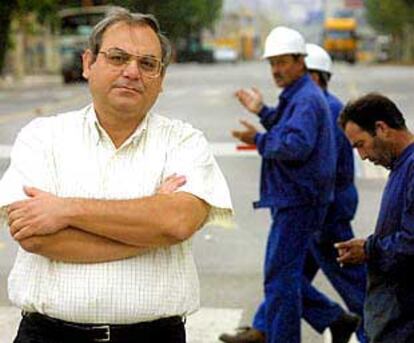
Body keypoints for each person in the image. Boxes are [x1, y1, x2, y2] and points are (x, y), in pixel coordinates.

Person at [0, 7, 233, 343]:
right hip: (49, 334)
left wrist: (65, 210)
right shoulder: (42, 137)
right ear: (87, 64)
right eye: (118, 57)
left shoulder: (184, 141)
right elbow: (34, 237)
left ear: (161, 79)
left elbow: (177, 222)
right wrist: (152, 229)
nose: (132, 72)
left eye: (147, 64)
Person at [219, 26, 337, 343]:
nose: (277, 70)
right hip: (297, 198)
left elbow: (294, 145)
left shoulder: (306, 99)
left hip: (299, 200)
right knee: (284, 276)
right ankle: (335, 320)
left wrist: (256, 138)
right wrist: (262, 112)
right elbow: (290, 131)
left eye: (283, 62)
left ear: (301, 61)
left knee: (281, 278)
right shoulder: (299, 96)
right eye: (272, 64)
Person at [302, 43, 368, 343]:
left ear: (315, 77)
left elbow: (322, 167)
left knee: (351, 281)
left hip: (325, 210)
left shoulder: (323, 108)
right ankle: (265, 326)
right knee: (287, 275)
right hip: (325, 206)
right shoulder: (325, 105)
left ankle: (371, 327)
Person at [336, 93, 414, 343]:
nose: (362, 156)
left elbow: (411, 244)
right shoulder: (401, 166)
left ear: (381, 128)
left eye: (360, 144)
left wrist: (369, 250)